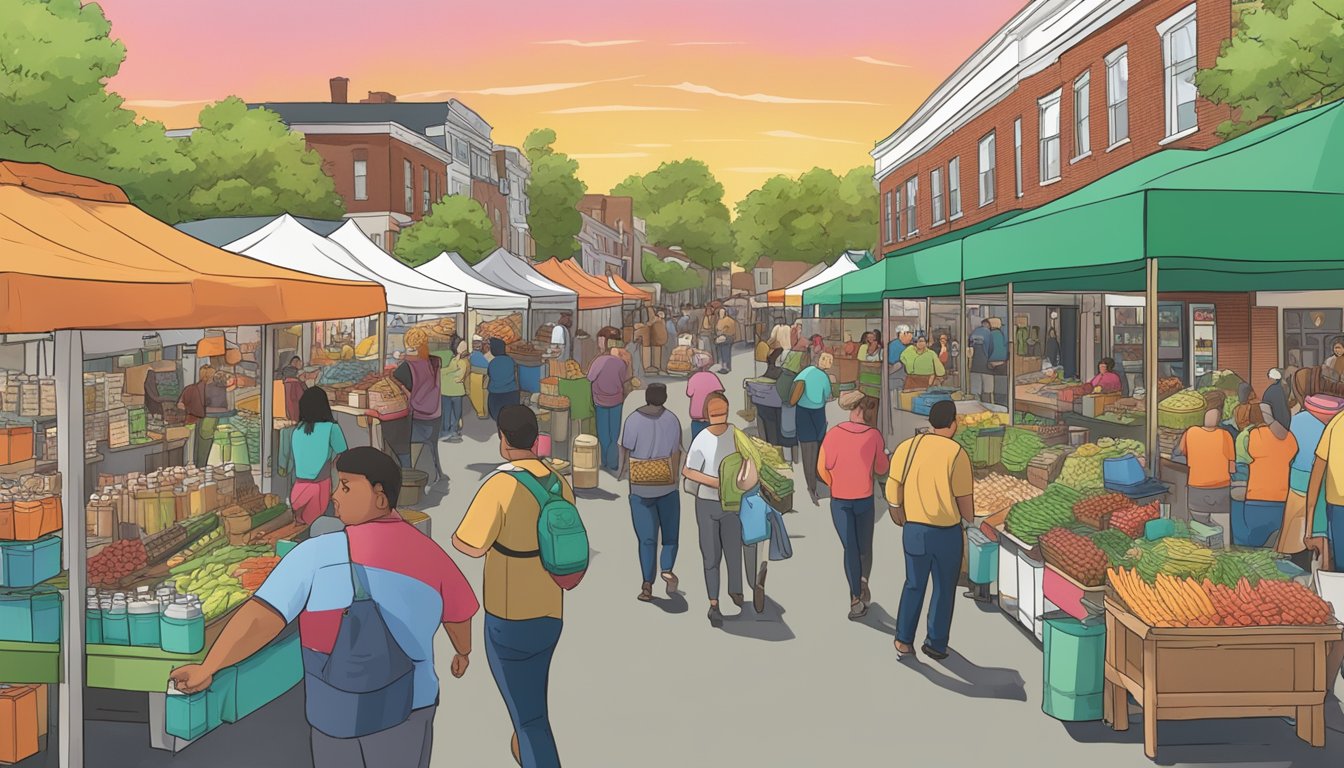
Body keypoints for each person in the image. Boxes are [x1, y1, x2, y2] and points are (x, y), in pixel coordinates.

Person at [170, 447, 478, 768]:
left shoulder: (315, 555)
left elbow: (261, 618)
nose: (334, 495)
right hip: (411, 706)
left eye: (345, 486)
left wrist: (208, 668)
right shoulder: (430, 554)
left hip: (336, 715)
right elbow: (459, 614)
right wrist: (463, 651)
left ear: (380, 497)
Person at [453, 406, 572, 768]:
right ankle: (523, 748)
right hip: (551, 609)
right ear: (536, 440)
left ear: (503, 441)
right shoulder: (558, 482)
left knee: (529, 719)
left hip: (509, 616)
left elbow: (468, 544)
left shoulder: (500, 485)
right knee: (530, 705)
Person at [884, 400, 974, 660]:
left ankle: (903, 640)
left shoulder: (908, 447)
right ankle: (935, 642)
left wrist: (896, 510)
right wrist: (970, 521)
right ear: (953, 423)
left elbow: (893, 484)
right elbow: (964, 499)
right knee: (944, 589)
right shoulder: (957, 453)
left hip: (915, 530)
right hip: (947, 533)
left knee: (914, 584)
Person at [682, 392, 758, 625]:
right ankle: (713, 603)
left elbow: (750, 462)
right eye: (714, 414)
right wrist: (714, 481)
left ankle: (736, 590)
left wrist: (743, 480)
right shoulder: (701, 439)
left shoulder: (737, 436)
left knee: (733, 550)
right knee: (710, 555)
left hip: (733, 503)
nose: (719, 418)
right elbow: (688, 471)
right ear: (706, 415)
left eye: (722, 413)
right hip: (706, 503)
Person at [818, 392, 889, 620]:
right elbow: (881, 469)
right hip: (864, 498)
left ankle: (855, 597)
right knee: (864, 546)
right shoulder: (875, 436)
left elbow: (822, 468)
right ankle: (863, 581)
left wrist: (835, 483)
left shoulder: (834, 434)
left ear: (856, 411)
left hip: (840, 500)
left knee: (850, 547)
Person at [619, 384, 683, 602]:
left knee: (647, 539)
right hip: (667, 485)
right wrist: (674, 480)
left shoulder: (632, 420)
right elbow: (676, 453)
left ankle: (647, 584)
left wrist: (622, 472)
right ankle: (667, 568)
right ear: (664, 398)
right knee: (670, 536)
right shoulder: (672, 420)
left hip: (640, 487)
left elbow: (625, 449)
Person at [282, 387, 348, 525]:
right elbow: (344, 455)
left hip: (298, 490)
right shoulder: (331, 428)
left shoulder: (297, 430)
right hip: (321, 489)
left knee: (300, 527)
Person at [1238, 404, 1298, 548]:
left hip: (1256, 499)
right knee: (1279, 547)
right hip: (1284, 500)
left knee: (1255, 546)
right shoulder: (1289, 437)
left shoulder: (1248, 435)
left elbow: (1241, 466)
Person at [392, 328, 445, 483]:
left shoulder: (407, 367)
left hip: (417, 416)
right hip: (435, 413)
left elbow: (396, 379)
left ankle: (407, 473)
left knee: (398, 441)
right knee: (432, 444)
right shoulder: (434, 362)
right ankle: (436, 472)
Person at [1178, 407, 1236, 539]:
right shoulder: (1225, 435)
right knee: (1222, 529)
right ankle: (1222, 552)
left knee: (1198, 529)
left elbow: (1181, 451)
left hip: (1196, 488)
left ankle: (1201, 552)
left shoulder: (1191, 432)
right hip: (1221, 489)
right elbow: (1232, 465)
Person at [790, 352, 834, 506]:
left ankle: (813, 487)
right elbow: (828, 395)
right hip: (816, 415)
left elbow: (794, 391)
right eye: (825, 358)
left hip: (805, 414)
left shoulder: (806, 372)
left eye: (829, 359)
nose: (827, 361)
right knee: (817, 450)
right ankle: (814, 485)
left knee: (809, 451)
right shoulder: (823, 377)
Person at [588, 343, 631, 473]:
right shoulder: (622, 364)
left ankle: (605, 461)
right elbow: (625, 380)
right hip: (616, 401)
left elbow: (590, 377)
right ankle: (612, 463)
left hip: (600, 401)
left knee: (603, 432)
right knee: (614, 433)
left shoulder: (598, 360)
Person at [179, 365, 216, 469]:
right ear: (209, 377)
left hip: (191, 423)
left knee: (190, 456)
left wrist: (189, 409)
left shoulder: (190, 389)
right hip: (203, 425)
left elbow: (180, 405)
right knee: (200, 455)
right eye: (212, 377)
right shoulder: (213, 391)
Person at [436, 341, 471, 443]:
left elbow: (456, 374)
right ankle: (452, 431)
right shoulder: (460, 360)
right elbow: (459, 376)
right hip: (455, 391)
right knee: (455, 412)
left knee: (448, 412)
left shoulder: (458, 360)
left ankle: (448, 432)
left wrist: (443, 372)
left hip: (448, 390)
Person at [686, 352, 725, 441]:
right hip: (711, 415)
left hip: (697, 416)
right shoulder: (712, 377)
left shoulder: (693, 378)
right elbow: (720, 393)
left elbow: (689, 393)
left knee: (696, 441)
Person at [485, 338, 520, 423]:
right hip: (511, 394)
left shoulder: (492, 363)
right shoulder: (511, 361)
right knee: (510, 418)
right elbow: (516, 377)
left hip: (495, 395)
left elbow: (489, 376)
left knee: (498, 417)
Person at [968, 319, 994, 402]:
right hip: (986, 366)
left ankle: (976, 407)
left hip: (975, 366)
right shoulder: (989, 333)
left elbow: (969, 346)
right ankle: (988, 407)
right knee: (987, 389)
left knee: (975, 390)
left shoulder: (974, 332)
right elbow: (991, 348)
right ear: (988, 325)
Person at [469, 334, 490, 419]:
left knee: (477, 394)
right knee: (481, 394)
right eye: (475, 344)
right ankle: (482, 412)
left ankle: (481, 412)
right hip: (482, 374)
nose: (477, 346)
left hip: (476, 374)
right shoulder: (482, 356)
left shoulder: (473, 356)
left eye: (478, 344)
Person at [714, 307, 738, 374]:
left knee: (726, 352)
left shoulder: (729, 320)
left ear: (725, 313)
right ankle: (722, 367)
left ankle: (726, 367)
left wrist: (722, 332)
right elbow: (717, 329)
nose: (721, 314)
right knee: (721, 353)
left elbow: (729, 329)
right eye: (720, 313)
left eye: (722, 313)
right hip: (721, 338)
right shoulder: (719, 320)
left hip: (727, 338)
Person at [648, 309, 669, 374]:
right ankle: (658, 367)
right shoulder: (663, 321)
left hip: (656, 339)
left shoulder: (656, 319)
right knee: (659, 352)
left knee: (655, 352)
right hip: (663, 338)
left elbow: (649, 324)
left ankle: (655, 366)